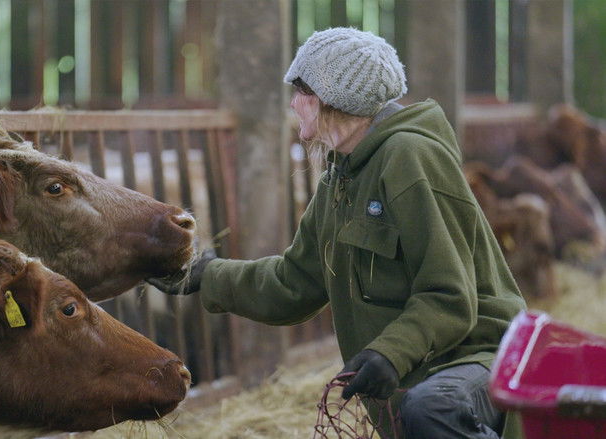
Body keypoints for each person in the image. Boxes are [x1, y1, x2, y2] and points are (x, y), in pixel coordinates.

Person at [148, 27, 526, 439]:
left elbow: (450, 295)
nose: (294, 104)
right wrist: (207, 274)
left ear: (335, 96)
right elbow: (294, 283)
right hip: (426, 370)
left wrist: (390, 351)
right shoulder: (341, 177)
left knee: (433, 408)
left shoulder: (410, 156)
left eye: (302, 92)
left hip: (479, 361)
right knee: (425, 406)